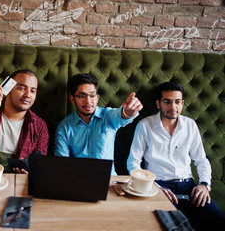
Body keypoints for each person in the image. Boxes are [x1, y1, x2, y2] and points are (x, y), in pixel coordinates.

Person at [127, 82, 225, 230]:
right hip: (159, 186)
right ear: (158, 103)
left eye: (177, 102)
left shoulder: (190, 125)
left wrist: (204, 185)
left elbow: (201, 160)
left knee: (219, 221)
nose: (173, 107)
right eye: (167, 101)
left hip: (189, 186)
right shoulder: (145, 125)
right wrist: (154, 187)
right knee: (171, 227)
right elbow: (133, 163)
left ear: (182, 103)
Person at [53, 73, 143, 175]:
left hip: (108, 181)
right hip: (78, 180)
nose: (88, 101)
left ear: (97, 98)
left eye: (92, 95)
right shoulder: (64, 127)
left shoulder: (107, 116)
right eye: (82, 96)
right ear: (72, 99)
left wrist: (129, 112)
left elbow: (120, 115)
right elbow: (62, 163)